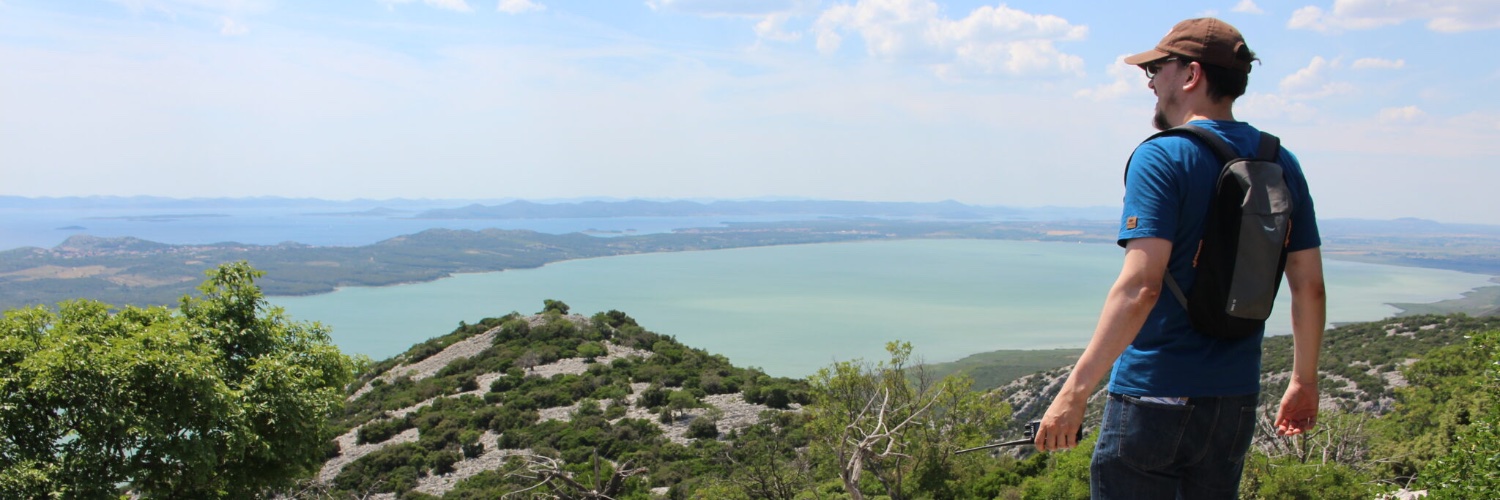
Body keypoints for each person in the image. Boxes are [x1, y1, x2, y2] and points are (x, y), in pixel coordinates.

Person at [1033, 17, 1327, 499]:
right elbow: (1309, 287)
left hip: (1154, 395)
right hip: (1234, 397)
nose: (1149, 83)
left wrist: (1074, 393)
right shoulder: (1281, 162)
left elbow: (1140, 287)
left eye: (1156, 69)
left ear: (1191, 75)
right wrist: (1303, 381)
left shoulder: (1162, 156)